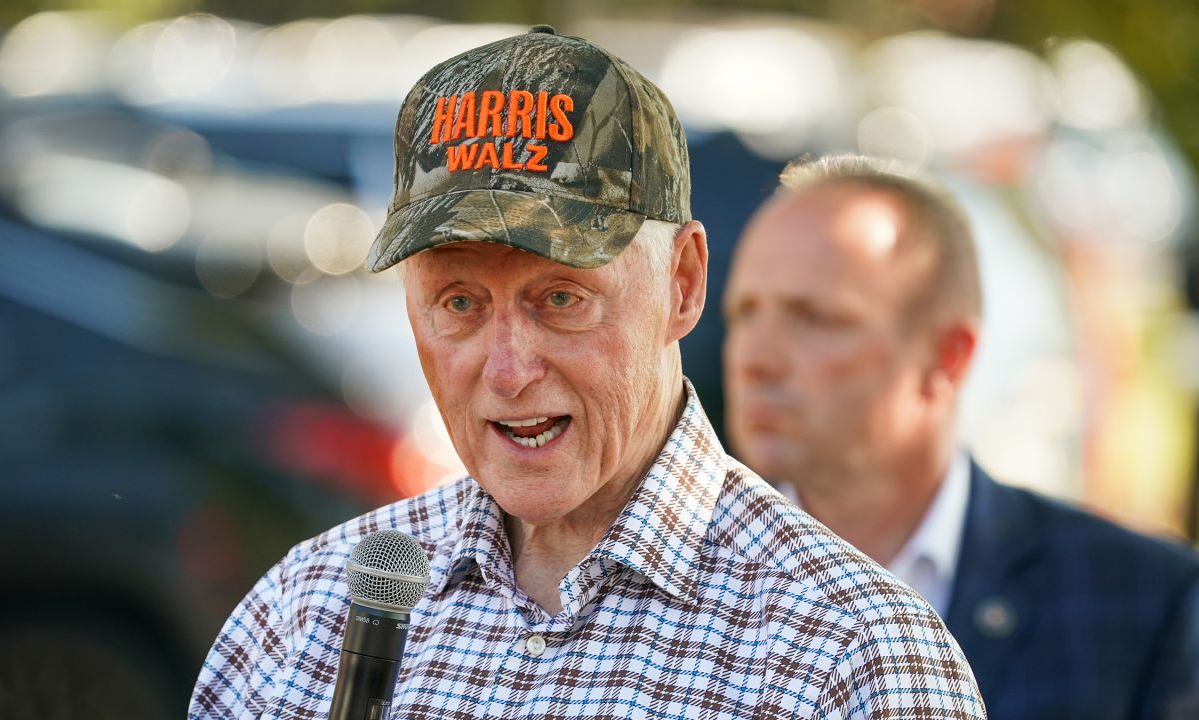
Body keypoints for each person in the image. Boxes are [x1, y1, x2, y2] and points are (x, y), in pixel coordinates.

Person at [190, 30, 984, 719]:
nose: (507, 370)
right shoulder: (305, 612)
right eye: (459, 301)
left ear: (683, 283)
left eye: (561, 297)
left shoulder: (854, 662)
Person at [723, 153, 1199, 720]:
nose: (755, 357)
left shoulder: (1143, 602)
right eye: (744, 313)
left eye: (814, 317)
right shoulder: (667, 589)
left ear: (947, 357)